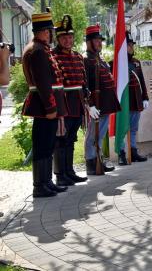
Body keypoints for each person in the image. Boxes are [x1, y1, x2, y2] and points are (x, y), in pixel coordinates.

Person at [22, 11, 69, 197]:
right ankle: (39, 186)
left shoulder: (42, 49)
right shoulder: (37, 51)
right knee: (43, 146)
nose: (50, 35)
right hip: (44, 108)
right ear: (41, 31)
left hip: (45, 107)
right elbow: (43, 83)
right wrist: (51, 108)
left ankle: (46, 181)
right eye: (49, 31)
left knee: (47, 145)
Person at [51, 15, 88, 186]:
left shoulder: (79, 56)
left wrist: (86, 95)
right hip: (64, 104)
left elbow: (83, 80)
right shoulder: (54, 57)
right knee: (61, 139)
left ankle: (70, 171)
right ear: (58, 39)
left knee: (72, 139)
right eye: (64, 37)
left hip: (78, 103)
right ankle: (60, 174)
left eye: (70, 37)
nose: (68, 40)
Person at [84, 24, 120, 175]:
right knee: (93, 134)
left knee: (100, 134)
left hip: (105, 104)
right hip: (96, 105)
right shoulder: (87, 60)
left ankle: (98, 159)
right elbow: (85, 84)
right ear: (89, 42)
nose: (99, 43)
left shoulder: (99, 58)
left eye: (100, 40)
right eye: (96, 40)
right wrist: (90, 105)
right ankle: (91, 163)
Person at [115, 32, 149, 165]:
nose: (130, 47)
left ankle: (133, 151)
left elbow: (142, 81)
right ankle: (122, 153)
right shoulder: (116, 63)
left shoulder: (136, 63)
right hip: (124, 102)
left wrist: (145, 97)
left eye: (131, 45)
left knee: (134, 128)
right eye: (128, 45)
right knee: (123, 128)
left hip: (136, 100)